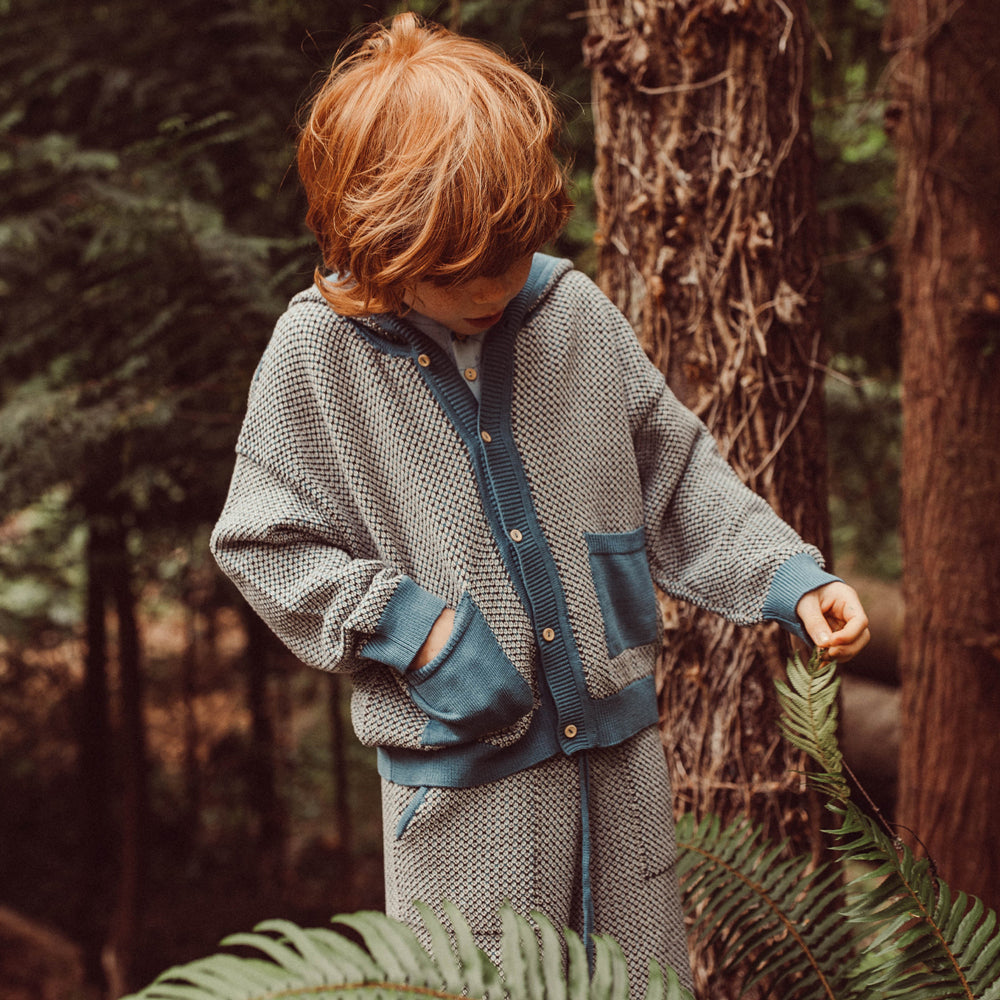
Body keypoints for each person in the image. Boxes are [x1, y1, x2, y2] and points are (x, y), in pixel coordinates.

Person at [210, 13, 870, 996]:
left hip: (622, 773)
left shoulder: (572, 314)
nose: (493, 285)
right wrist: (414, 633)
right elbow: (264, 542)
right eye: (458, 268)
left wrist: (785, 575)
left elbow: (675, 470)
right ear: (377, 240)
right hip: (464, 797)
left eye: (511, 253)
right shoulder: (319, 356)